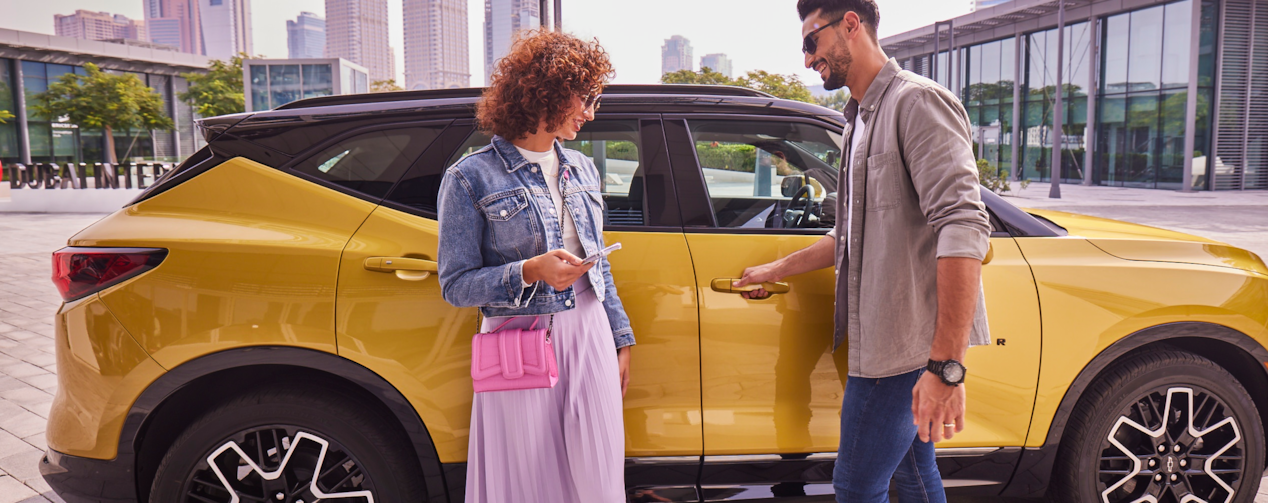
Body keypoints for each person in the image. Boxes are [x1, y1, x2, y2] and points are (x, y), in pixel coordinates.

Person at [733, 1, 993, 501]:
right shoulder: (858, 121)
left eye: (812, 42)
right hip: (883, 341)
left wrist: (945, 369)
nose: (808, 60)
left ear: (850, 24)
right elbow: (848, 236)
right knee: (914, 474)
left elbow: (962, 228)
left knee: (855, 486)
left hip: (905, 350)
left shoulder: (917, 103)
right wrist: (776, 267)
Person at [436, 30, 633, 503]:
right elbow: (455, 285)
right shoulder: (469, 177)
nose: (590, 113)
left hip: (589, 332)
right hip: (516, 340)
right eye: (585, 99)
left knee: (597, 469)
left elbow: (599, 266)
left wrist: (621, 339)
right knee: (527, 478)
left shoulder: (583, 169)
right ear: (549, 90)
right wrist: (529, 270)